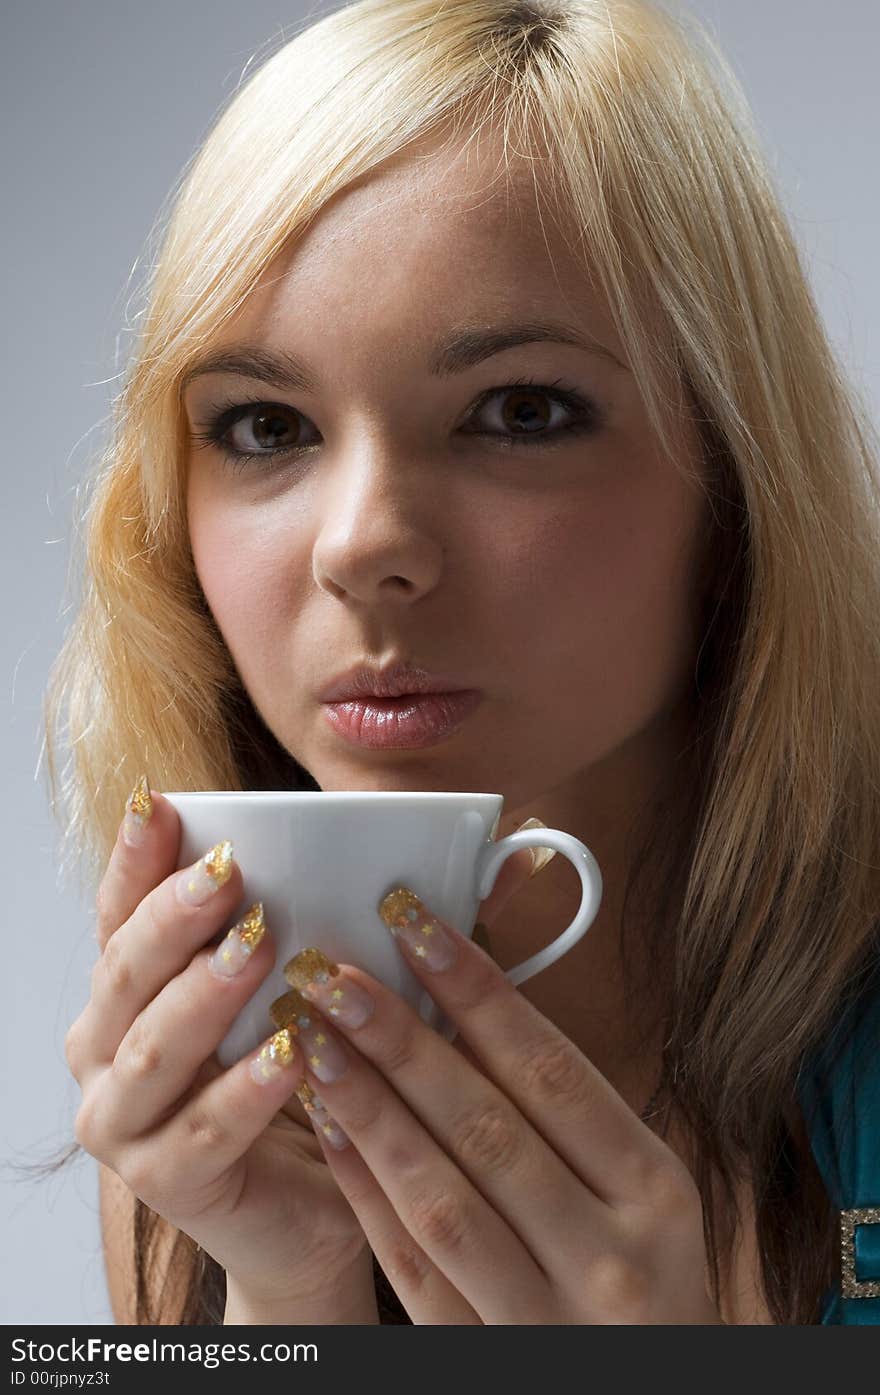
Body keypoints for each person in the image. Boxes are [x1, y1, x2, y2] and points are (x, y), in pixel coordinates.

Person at [43, 0, 880, 1325]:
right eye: (265, 424)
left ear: (736, 481)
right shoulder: (208, 1127)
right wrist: (292, 1301)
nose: (366, 544)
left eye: (521, 412)